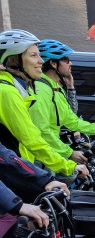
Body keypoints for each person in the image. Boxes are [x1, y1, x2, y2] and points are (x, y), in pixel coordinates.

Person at [0, 29, 88, 180]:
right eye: (33, 55)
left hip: (19, 167)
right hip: (12, 173)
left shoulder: (19, 89)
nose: (41, 61)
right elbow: (31, 139)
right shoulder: (7, 92)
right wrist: (68, 165)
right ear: (14, 60)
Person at [30, 39, 95, 165]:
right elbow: (42, 131)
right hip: (40, 157)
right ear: (54, 63)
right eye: (66, 60)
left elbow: (71, 120)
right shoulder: (41, 90)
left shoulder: (55, 88)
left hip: (52, 150)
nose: (70, 63)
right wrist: (69, 153)